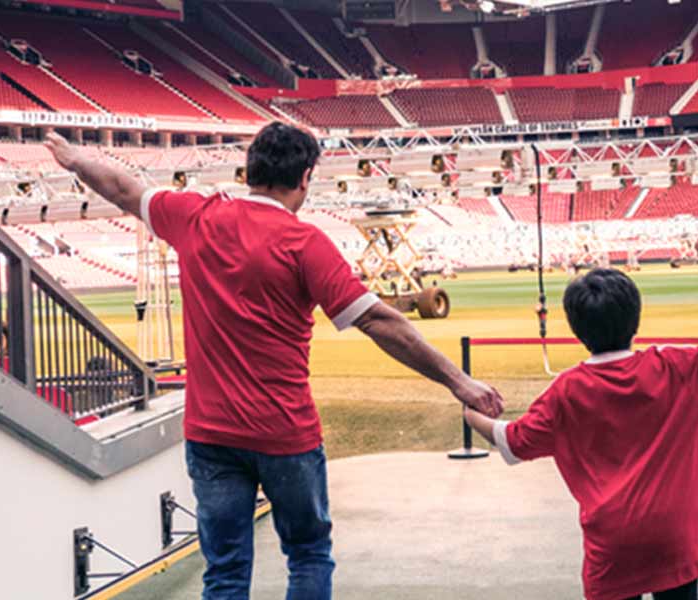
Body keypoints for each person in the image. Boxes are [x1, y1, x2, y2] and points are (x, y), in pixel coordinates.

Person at [46, 123, 504, 600]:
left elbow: (122, 188)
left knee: (224, 572)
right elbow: (379, 322)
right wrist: (458, 381)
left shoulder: (195, 216)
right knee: (307, 554)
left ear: (250, 171)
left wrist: (76, 158)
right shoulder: (304, 243)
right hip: (284, 433)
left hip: (211, 434)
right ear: (304, 178)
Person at [465, 238, 698, 600]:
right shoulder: (676, 368)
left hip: (613, 546)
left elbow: (511, 441)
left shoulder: (565, 392)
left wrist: (470, 411)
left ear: (577, 329)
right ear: (635, 318)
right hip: (676, 536)